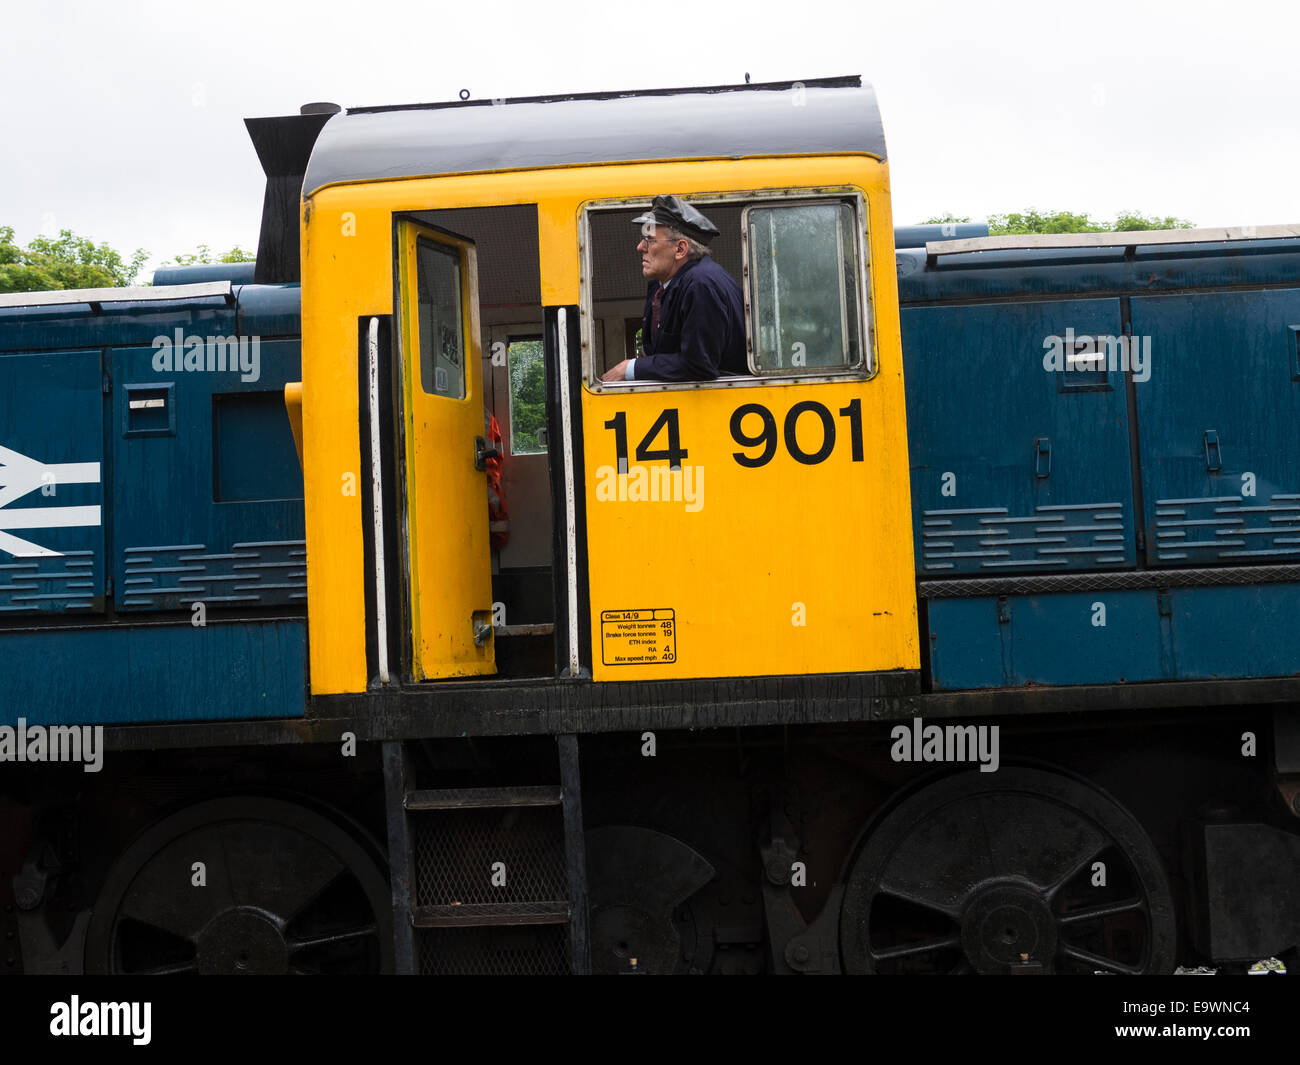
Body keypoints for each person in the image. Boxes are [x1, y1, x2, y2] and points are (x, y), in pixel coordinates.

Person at [600, 195, 747, 382]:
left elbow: (699, 365)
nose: (640, 247)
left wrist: (630, 368)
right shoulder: (662, 284)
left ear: (680, 249)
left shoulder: (701, 284)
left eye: (650, 240)